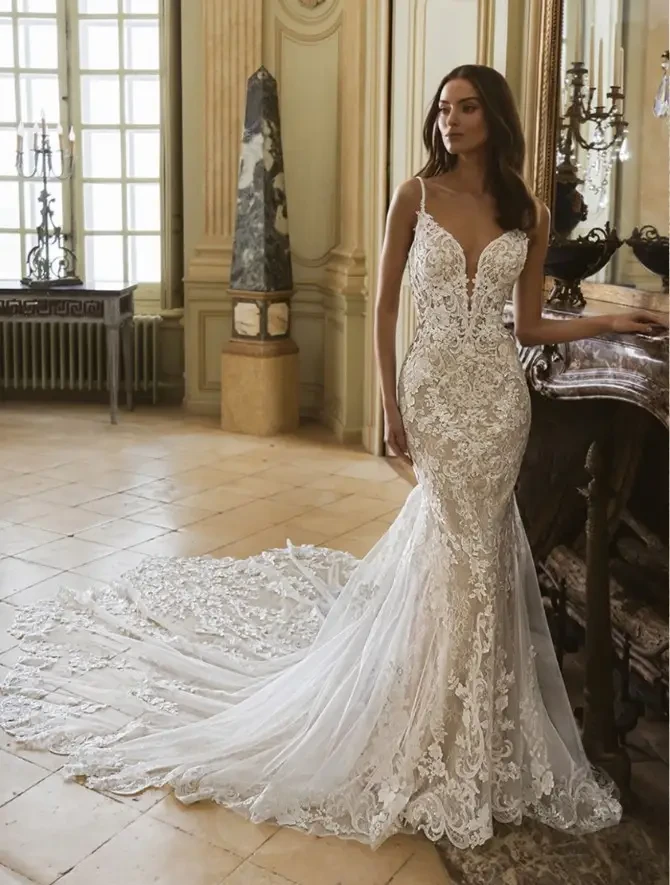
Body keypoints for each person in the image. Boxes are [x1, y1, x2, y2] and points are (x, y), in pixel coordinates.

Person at [1, 65, 664, 852]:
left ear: (494, 116)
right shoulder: (415, 196)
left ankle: (471, 724)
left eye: (466, 107)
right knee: (456, 544)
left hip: (497, 402)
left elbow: (527, 326)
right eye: (443, 109)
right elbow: (383, 308)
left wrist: (609, 326)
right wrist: (389, 404)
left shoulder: (530, 211)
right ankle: (426, 718)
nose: (450, 120)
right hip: (433, 391)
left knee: (481, 554)